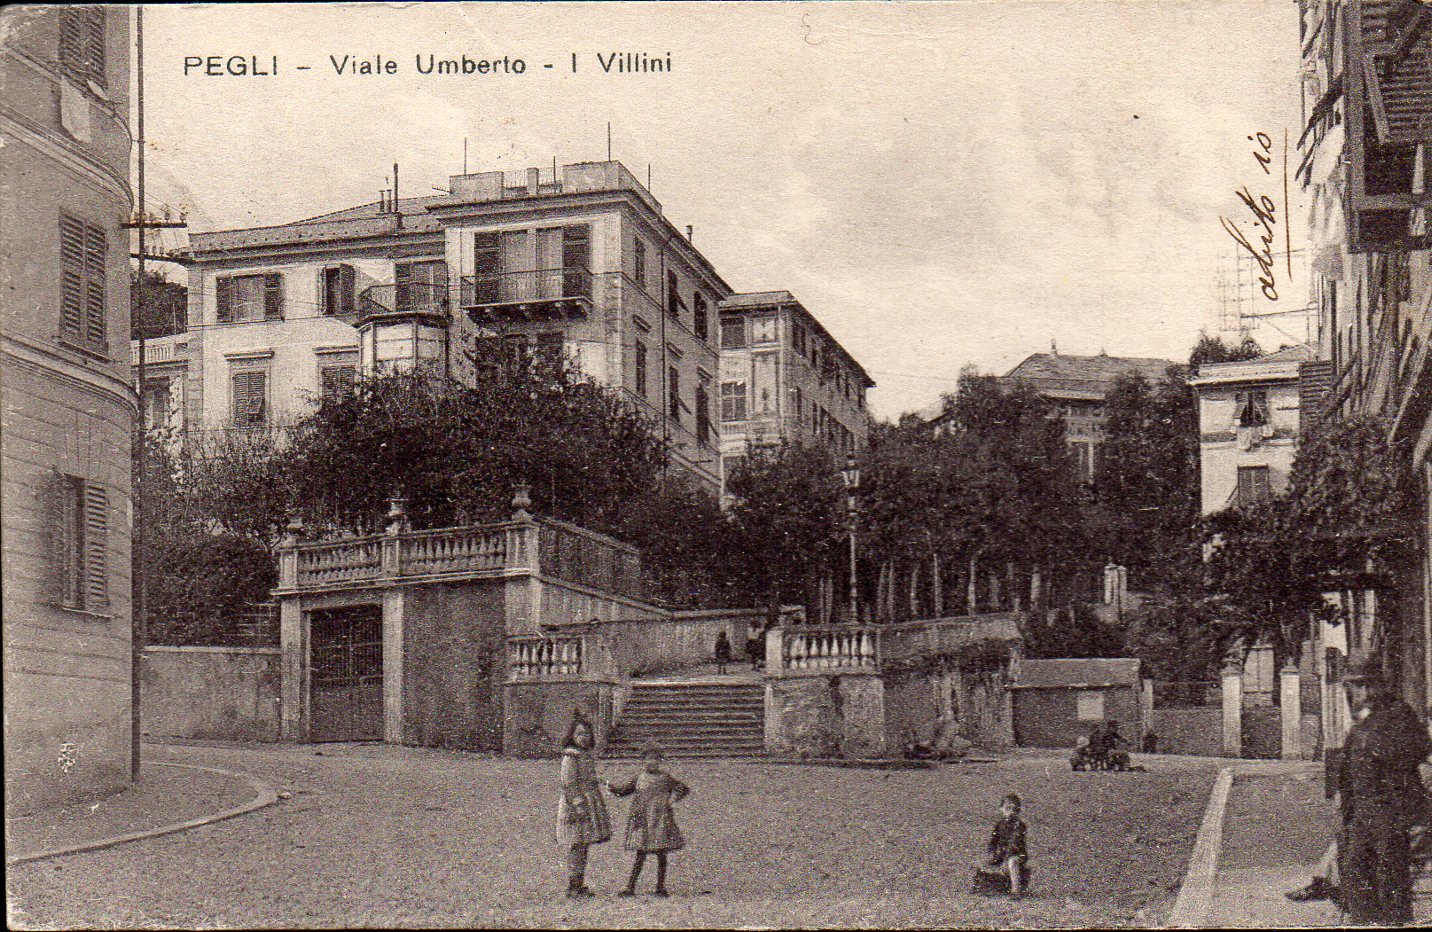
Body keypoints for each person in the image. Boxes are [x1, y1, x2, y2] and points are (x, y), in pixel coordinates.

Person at [1334, 656, 1431, 926]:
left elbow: (1420, 748)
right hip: (1362, 809)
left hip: (1390, 807)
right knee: (1355, 870)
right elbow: (1349, 764)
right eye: (1357, 686)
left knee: (1390, 875)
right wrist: (1345, 802)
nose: (1363, 692)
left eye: (1368, 685)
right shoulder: (1360, 719)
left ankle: (1392, 922)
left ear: (1380, 684)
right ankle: (1362, 920)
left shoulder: (1398, 713)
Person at [608, 742, 690, 897]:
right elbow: (622, 791)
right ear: (643, 760)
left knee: (661, 854)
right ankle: (630, 888)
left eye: (655, 759)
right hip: (643, 820)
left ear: (660, 761)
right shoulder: (639, 778)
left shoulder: (666, 778)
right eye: (648, 759)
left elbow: (683, 789)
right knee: (640, 854)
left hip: (660, 820)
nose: (652, 762)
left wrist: (672, 800)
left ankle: (660, 887)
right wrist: (609, 786)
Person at [556, 709, 612, 898]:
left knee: (583, 844)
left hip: (588, 802)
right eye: (579, 733)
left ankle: (579, 884)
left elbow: (588, 777)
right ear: (572, 736)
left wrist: (599, 781)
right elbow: (569, 784)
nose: (583, 737)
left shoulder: (585, 755)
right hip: (575, 806)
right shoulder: (570, 757)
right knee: (576, 844)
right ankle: (573, 886)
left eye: (587, 733)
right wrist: (578, 805)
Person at [984, 792, 1031, 896]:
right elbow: (993, 841)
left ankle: (1016, 890)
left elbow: (1015, 843)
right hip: (1002, 854)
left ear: (1018, 811)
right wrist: (992, 854)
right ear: (1001, 808)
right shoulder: (999, 824)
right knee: (987, 866)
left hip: (1017, 854)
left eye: (1014, 809)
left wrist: (1005, 859)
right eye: (1008, 809)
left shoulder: (1019, 825)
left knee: (1012, 862)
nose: (1011, 812)